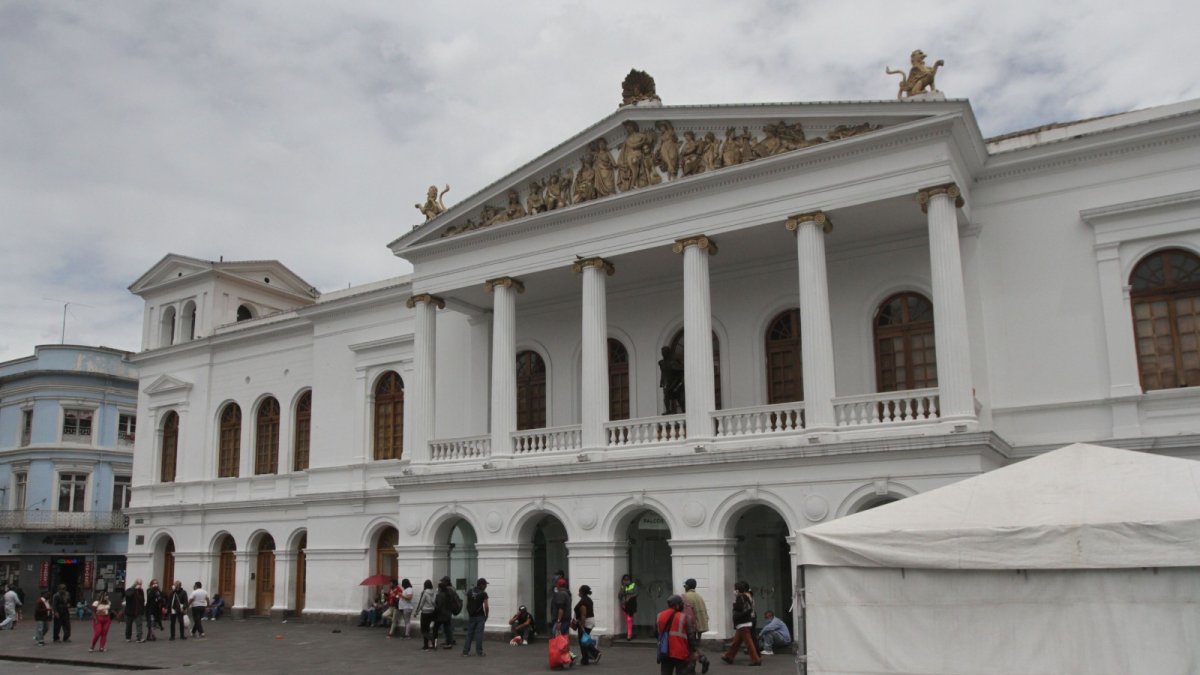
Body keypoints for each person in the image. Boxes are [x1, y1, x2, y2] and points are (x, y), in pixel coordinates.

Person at [720, 581, 761, 666]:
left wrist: (735, 605)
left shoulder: (741, 597)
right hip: (744, 623)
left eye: (735, 589)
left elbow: (740, 608)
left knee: (749, 643)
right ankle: (729, 656)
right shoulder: (746, 596)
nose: (734, 591)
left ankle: (755, 659)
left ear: (737, 590)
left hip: (743, 623)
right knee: (736, 642)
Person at [656, 594, 695, 675]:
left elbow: (656, 633)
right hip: (680, 653)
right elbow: (691, 637)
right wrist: (692, 652)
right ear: (677, 605)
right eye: (681, 604)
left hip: (665, 652)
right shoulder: (684, 617)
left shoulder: (659, 615)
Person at [683, 578, 711, 673]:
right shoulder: (699, 596)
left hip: (691, 626)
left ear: (687, 586)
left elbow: (685, 613)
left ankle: (695, 664)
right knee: (695, 646)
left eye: (685, 586)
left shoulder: (685, 597)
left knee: (690, 647)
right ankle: (699, 661)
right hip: (701, 626)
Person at [573, 584, 600, 665]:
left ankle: (592, 655)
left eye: (579, 591)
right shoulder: (588, 599)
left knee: (583, 640)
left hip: (585, 622)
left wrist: (582, 624)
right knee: (584, 640)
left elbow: (583, 614)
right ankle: (588, 657)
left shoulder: (583, 601)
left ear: (582, 592)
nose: (578, 592)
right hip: (589, 621)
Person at [462, 577, 488, 656]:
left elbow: (467, 604)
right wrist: (486, 615)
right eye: (485, 585)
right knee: (479, 634)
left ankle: (465, 652)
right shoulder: (483, 593)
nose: (486, 586)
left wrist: (470, 613)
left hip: (472, 616)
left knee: (469, 634)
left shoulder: (470, 591)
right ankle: (479, 652)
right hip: (480, 616)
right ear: (482, 585)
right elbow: (486, 606)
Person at [433, 576, 458, 649]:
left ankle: (435, 643)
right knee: (447, 627)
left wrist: (434, 613)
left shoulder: (441, 594)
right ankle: (449, 642)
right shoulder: (449, 592)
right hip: (447, 613)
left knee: (436, 629)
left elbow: (438, 605)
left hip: (441, 614)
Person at [416, 579, 437, 650]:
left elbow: (421, 603)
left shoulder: (424, 593)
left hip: (425, 613)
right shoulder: (434, 593)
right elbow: (434, 603)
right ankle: (426, 645)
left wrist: (417, 612)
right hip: (431, 612)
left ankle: (432, 640)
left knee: (423, 630)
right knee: (427, 629)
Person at [618, 574, 638, 640]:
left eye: (627, 579)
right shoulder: (623, 586)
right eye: (625, 579)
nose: (626, 581)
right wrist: (623, 588)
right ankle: (629, 633)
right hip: (624, 604)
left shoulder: (633, 585)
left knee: (629, 619)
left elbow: (636, 593)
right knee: (627, 619)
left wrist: (629, 597)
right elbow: (619, 596)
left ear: (630, 580)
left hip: (631, 604)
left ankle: (629, 634)